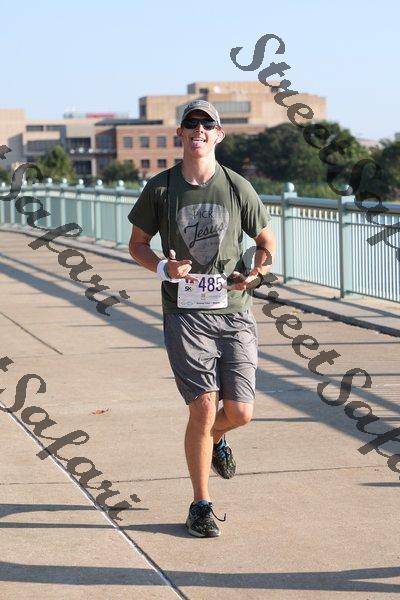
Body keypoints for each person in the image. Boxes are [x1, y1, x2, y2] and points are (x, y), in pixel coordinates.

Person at [128, 99, 276, 538]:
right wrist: (163, 268)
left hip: (234, 313)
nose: (199, 130)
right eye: (191, 124)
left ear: (218, 135)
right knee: (204, 407)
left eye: (207, 124)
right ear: (180, 134)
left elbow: (266, 243)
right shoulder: (160, 188)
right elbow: (137, 244)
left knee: (241, 412)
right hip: (185, 314)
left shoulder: (237, 186)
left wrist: (255, 274)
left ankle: (215, 438)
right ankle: (200, 504)